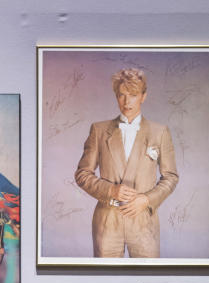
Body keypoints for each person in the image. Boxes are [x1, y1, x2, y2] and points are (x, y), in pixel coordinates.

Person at [75, 68, 179, 258]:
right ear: (116, 96)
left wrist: (147, 199)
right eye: (121, 95)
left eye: (133, 95)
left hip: (144, 223)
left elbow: (170, 177)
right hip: (107, 223)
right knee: (106, 282)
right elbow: (82, 174)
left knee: (147, 281)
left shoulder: (160, 132)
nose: (127, 101)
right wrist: (110, 190)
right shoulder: (99, 130)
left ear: (143, 96)